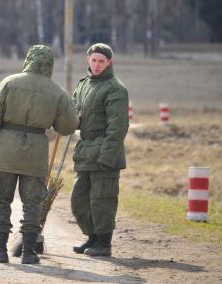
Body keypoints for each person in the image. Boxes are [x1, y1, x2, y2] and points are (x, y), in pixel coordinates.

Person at [0, 45, 78, 264]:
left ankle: (0, 250)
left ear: (28, 60)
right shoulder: (56, 91)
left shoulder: (8, 83)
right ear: (50, 64)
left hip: (4, 151)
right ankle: (29, 252)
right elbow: (68, 127)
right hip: (35, 153)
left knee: (0, 201)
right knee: (33, 203)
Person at [71, 43, 129, 257]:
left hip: (105, 153)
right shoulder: (84, 85)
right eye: (94, 60)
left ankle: (104, 244)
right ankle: (92, 237)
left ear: (109, 63)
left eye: (101, 61)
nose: (97, 65)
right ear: (88, 60)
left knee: (102, 199)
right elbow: (73, 113)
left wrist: (107, 157)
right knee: (80, 200)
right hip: (85, 151)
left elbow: (118, 127)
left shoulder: (116, 89)